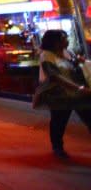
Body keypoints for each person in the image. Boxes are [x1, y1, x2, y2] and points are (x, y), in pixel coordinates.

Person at [38, 29, 91, 159]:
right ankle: (57, 147)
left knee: (89, 117)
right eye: (64, 38)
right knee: (59, 121)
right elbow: (55, 77)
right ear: (55, 42)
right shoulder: (46, 56)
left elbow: (74, 68)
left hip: (77, 92)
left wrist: (79, 62)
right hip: (59, 94)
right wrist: (78, 87)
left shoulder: (68, 52)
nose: (67, 40)